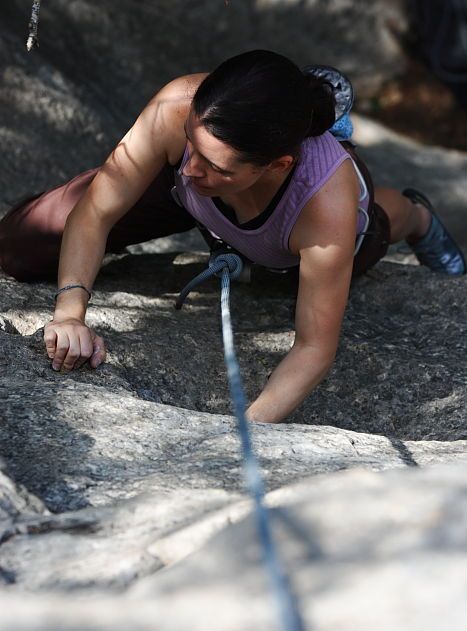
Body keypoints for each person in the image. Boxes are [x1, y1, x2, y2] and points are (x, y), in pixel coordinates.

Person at [0, 50, 465, 423]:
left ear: (278, 163)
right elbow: (95, 211)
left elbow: (313, 348)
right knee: (18, 246)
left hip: (290, 231)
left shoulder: (324, 208)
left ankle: (417, 217)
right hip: (196, 202)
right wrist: (70, 314)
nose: (191, 166)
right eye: (190, 143)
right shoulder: (179, 113)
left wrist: (246, 431)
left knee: (374, 222)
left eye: (216, 164)